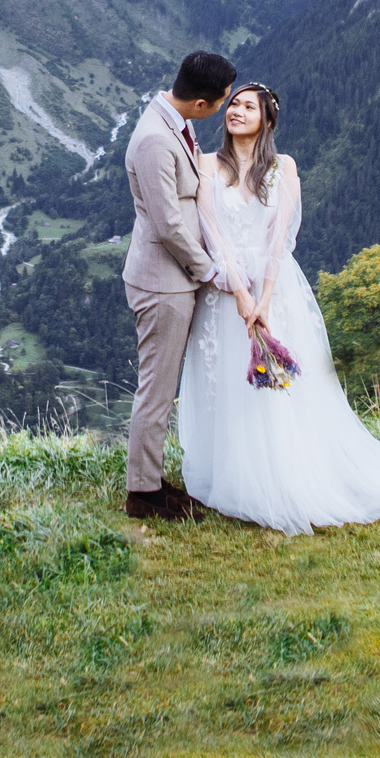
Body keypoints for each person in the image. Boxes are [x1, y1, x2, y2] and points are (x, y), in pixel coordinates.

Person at [179, 82, 380, 535]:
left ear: (267, 120)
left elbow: (279, 238)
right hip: (224, 289)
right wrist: (239, 292)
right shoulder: (206, 164)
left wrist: (264, 298)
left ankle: (282, 475)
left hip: (274, 286)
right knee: (227, 379)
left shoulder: (282, 167)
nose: (236, 111)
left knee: (275, 388)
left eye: (249, 106)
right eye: (233, 104)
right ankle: (232, 474)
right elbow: (211, 231)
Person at [120, 50, 239, 521]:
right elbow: (169, 225)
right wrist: (207, 269)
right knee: (157, 386)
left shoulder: (169, 122)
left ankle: (150, 481)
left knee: (162, 384)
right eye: (222, 102)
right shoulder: (154, 139)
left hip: (171, 278)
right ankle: (143, 495)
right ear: (203, 104)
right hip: (163, 282)